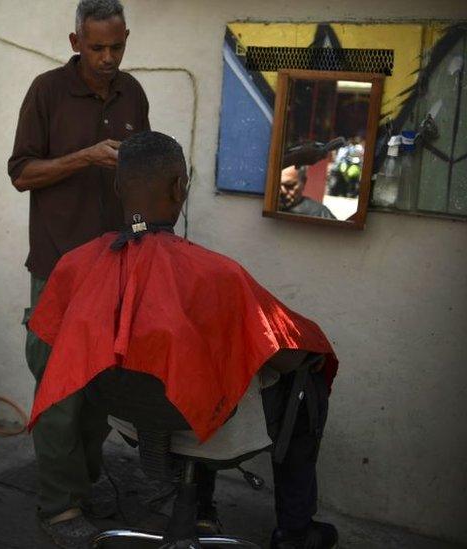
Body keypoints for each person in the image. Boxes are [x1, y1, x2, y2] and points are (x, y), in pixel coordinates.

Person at [29, 131, 340, 549]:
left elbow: (57, 343)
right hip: (200, 420)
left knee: (203, 368)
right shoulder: (217, 275)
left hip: (128, 418)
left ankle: (198, 508)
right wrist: (310, 357)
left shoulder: (76, 265)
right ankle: (296, 533)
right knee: (306, 387)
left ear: (118, 187)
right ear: (180, 188)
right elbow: (286, 357)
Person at [6, 0, 150, 545]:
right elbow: (21, 174)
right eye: (97, 48)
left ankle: (82, 487)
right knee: (59, 393)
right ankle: (57, 508)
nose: (108, 58)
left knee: (100, 393)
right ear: (75, 43)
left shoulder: (132, 92)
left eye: (117, 46)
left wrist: (145, 240)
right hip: (60, 270)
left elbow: (142, 175)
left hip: (117, 266)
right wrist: (85, 157)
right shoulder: (46, 91)